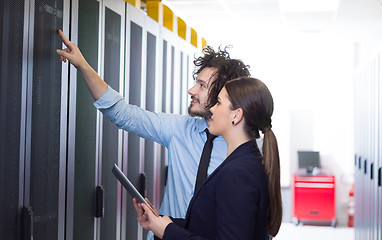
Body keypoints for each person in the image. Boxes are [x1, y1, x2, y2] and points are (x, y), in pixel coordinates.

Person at [55, 30, 251, 219]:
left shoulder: (245, 152)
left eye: (202, 85)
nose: (191, 90)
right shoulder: (178, 129)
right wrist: (83, 66)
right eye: (195, 82)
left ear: (223, 96)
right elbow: (121, 113)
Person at [133, 77, 283, 240]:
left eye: (218, 102)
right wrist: (161, 223)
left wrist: (167, 231)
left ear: (236, 115)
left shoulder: (238, 173)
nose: (212, 109)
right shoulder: (243, 162)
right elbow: (209, 229)